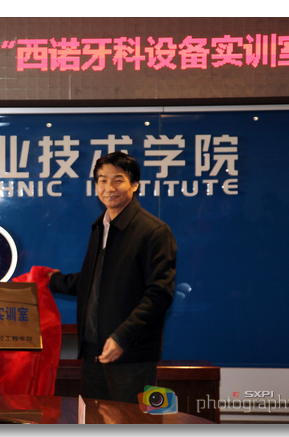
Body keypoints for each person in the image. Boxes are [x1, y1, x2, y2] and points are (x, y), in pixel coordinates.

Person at [48, 152, 176, 404]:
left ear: (135, 184)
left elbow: (159, 295)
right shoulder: (101, 226)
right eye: (102, 180)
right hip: (93, 353)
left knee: (134, 422)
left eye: (118, 180)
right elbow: (94, 281)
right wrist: (52, 280)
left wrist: (122, 337)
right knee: (95, 420)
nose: (109, 188)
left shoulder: (154, 231)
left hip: (130, 353)